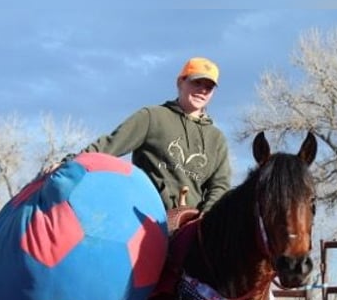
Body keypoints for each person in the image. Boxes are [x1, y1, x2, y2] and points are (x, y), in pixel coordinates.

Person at [77, 56, 232, 212]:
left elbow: (220, 186)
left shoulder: (217, 139)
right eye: (196, 82)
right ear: (180, 82)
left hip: (190, 224)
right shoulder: (152, 117)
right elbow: (109, 146)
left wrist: (206, 218)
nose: (202, 90)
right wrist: (69, 163)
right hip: (144, 215)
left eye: (209, 87)